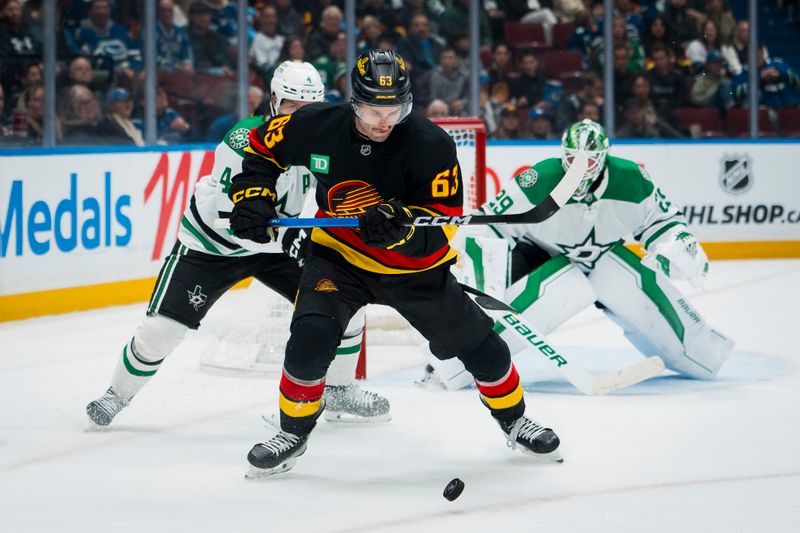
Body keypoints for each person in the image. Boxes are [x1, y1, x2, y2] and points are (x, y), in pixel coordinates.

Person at [227, 49, 562, 477]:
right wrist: (253, 196)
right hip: (339, 258)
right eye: (371, 110)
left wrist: (401, 231)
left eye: (395, 110)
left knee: (485, 350)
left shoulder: (431, 145)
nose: (383, 121)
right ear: (353, 102)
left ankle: (515, 421)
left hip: (414, 270)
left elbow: (442, 226)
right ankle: (293, 432)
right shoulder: (314, 125)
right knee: (309, 340)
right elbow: (260, 151)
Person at [86, 61, 391, 428]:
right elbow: (240, 219)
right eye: (293, 106)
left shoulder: (322, 138)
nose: (301, 116)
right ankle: (116, 394)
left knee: (346, 302)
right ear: (274, 100)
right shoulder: (244, 138)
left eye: (309, 108)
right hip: (214, 246)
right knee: (160, 332)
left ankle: (339, 390)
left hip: (276, 247)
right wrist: (295, 235)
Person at [423, 119, 734, 391]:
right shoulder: (540, 179)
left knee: (703, 357)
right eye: (572, 158)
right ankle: (449, 363)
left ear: (604, 157)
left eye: (588, 160)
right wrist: (485, 285)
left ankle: (703, 353)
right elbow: (487, 226)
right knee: (563, 290)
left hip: (605, 259)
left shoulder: (632, 180)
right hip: (542, 258)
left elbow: (664, 221)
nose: (580, 167)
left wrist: (674, 246)